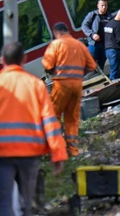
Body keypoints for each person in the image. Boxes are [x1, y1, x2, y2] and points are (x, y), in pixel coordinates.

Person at [0, 41, 67, 216]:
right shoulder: (35, 85)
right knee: (27, 201)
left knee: (4, 202)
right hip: (30, 152)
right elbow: (49, 121)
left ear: (2, 60)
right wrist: (58, 154)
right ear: (24, 59)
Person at [42, 22, 97, 157]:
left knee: (53, 116)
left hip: (61, 85)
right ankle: (73, 150)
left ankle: (56, 149)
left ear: (56, 32)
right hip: (77, 85)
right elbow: (92, 65)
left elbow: (47, 66)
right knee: (72, 118)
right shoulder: (78, 44)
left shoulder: (55, 45)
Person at [81, 0, 113, 71]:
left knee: (101, 63)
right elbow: (84, 26)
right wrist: (92, 34)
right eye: (102, 5)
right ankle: (88, 78)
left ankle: (99, 77)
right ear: (98, 6)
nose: (104, 7)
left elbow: (112, 29)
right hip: (94, 44)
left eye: (105, 5)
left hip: (105, 44)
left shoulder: (109, 16)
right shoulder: (93, 15)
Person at [104, 8, 120, 81]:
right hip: (115, 50)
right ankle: (113, 84)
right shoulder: (118, 25)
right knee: (115, 71)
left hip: (108, 50)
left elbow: (111, 37)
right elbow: (119, 40)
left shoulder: (108, 24)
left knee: (113, 69)